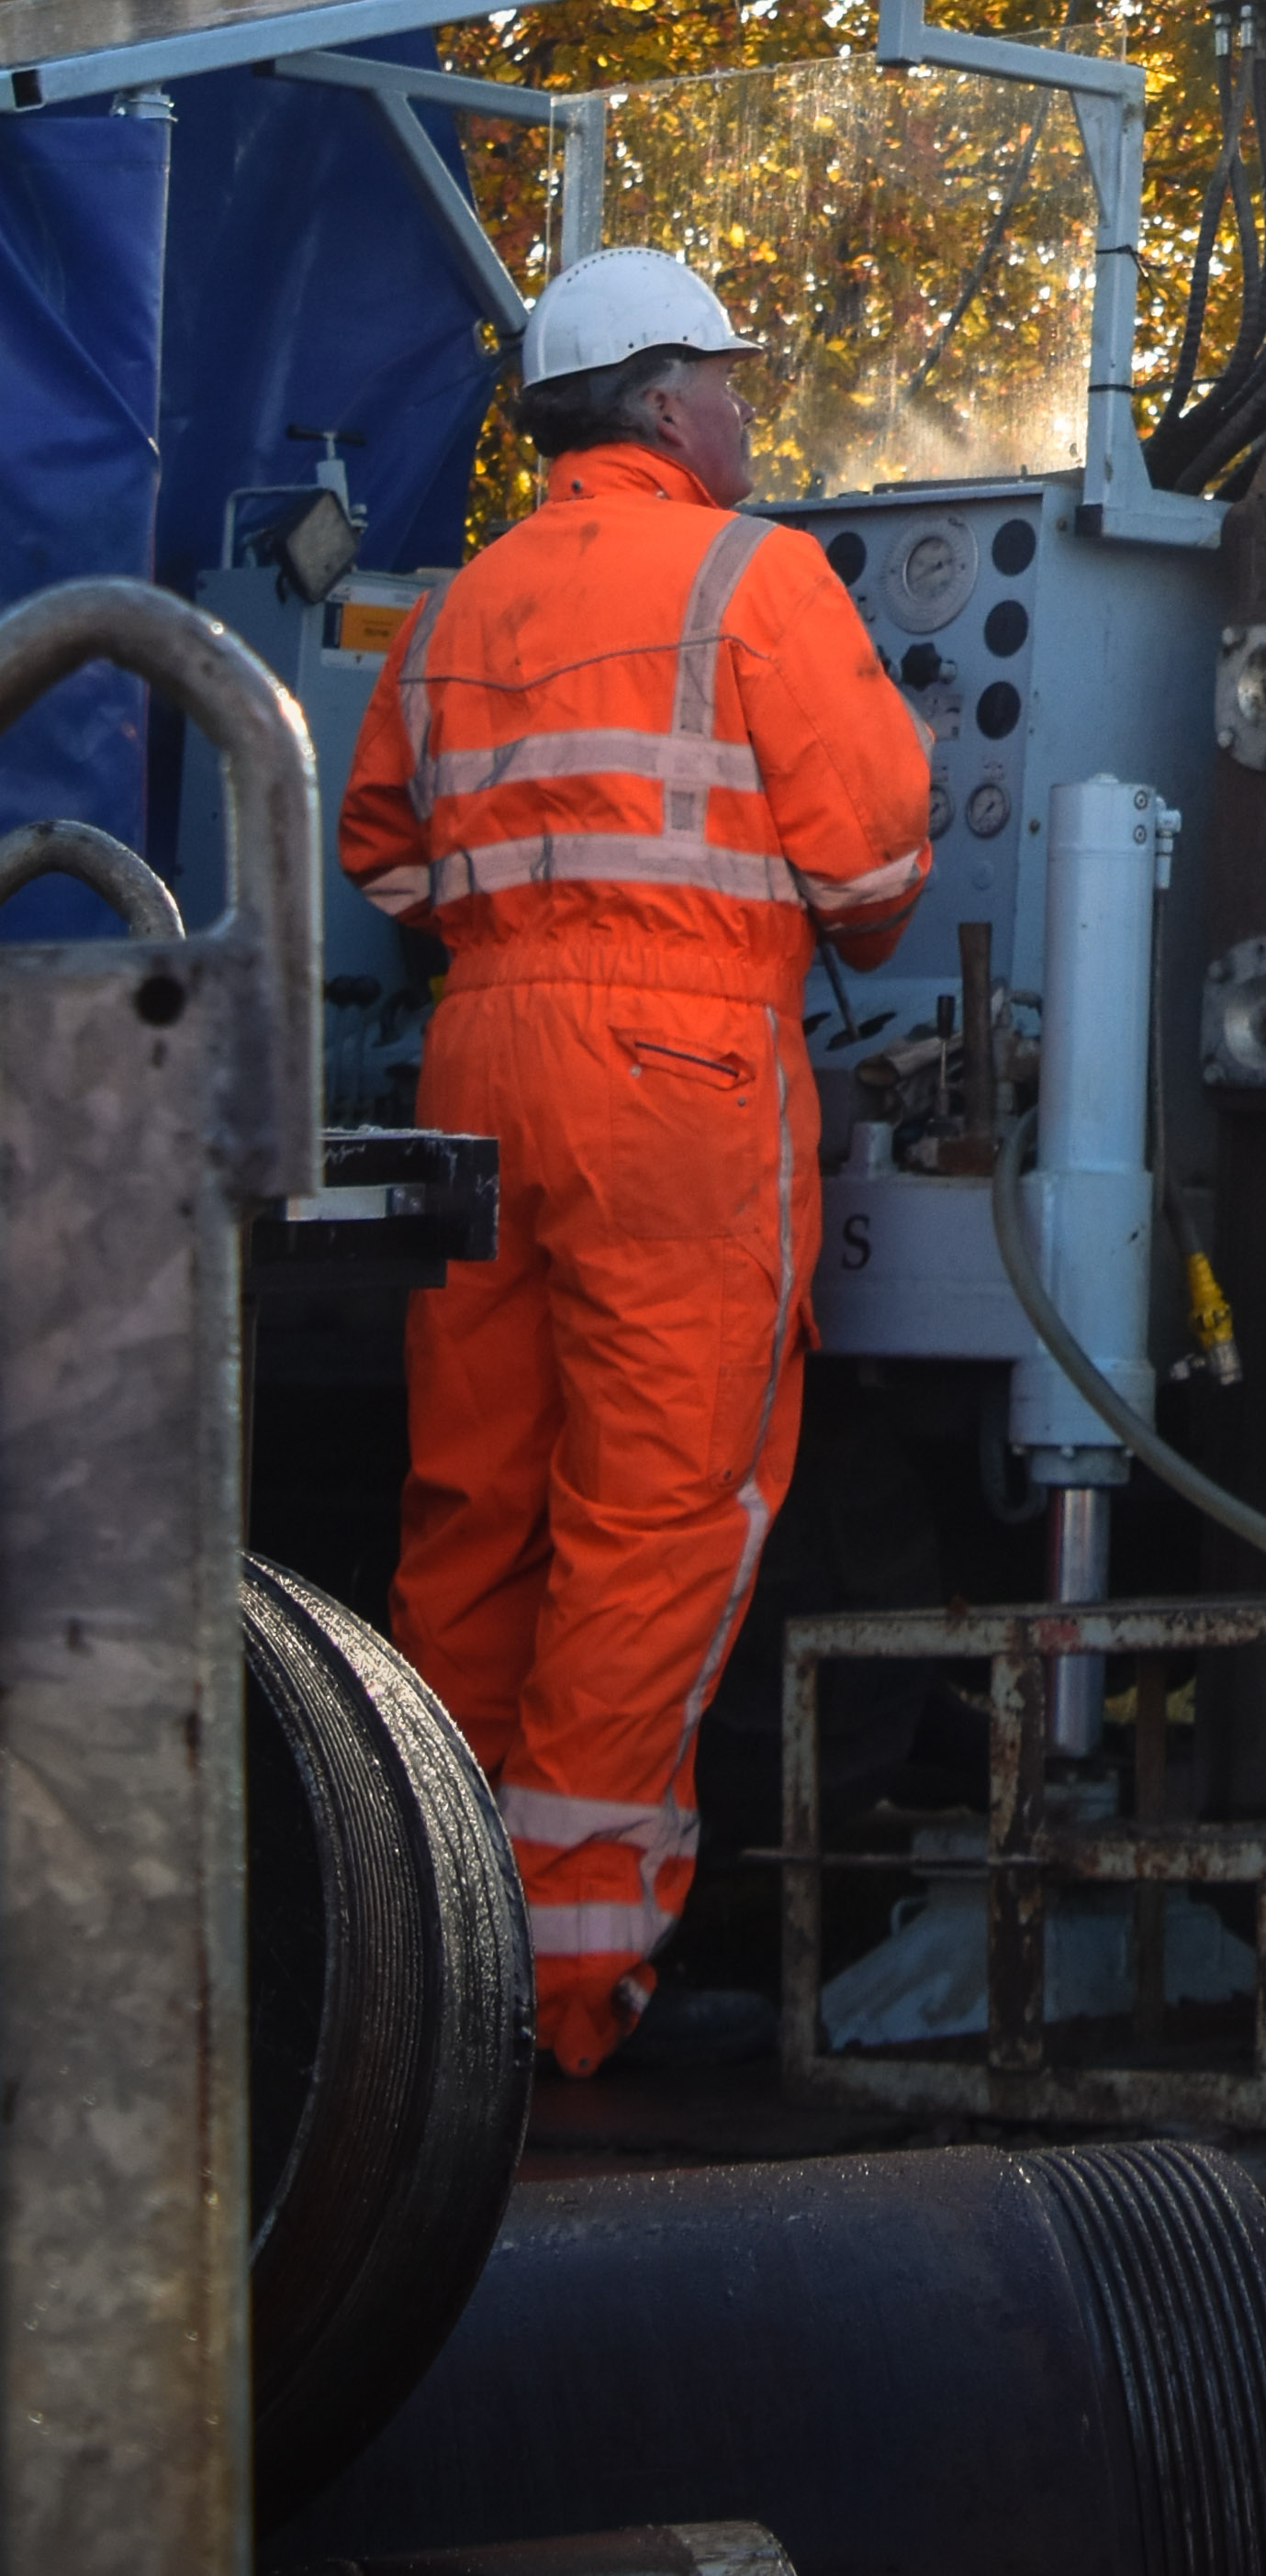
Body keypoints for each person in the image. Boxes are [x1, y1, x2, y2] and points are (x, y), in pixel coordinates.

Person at [339, 246, 931, 2075]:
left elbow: (380, 848)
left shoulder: (454, 604)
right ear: (667, 402)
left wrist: (521, 930)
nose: (744, 414)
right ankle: (566, 1992)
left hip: (477, 1059)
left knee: (474, 1502)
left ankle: (416, 1960)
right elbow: (873, 866)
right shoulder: (756, 576)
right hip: (674, 1074)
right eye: (729, 385)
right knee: (652, 1519)